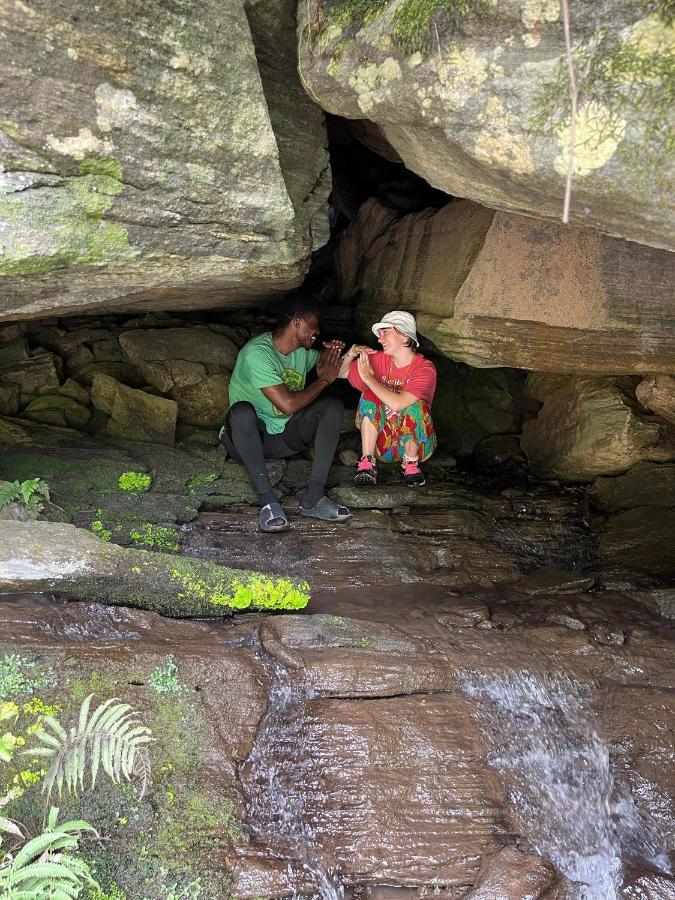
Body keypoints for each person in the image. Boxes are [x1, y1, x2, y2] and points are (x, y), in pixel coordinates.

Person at [220, 296, 351, 533]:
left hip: (284, 437)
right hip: (248, 440)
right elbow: (288, 405)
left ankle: (314, 498)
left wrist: (333, 351)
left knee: (331, 406)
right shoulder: (257, 353)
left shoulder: (302, 351)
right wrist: (323, 380)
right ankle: (268, 501)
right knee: (241, 412)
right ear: (298, 323)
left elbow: (330, 364)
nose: (318, 330)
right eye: (314, 324)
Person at [341, 310, 437, 487]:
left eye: (385, 332)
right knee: (369, 394)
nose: (379, 339)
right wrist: (351, 353)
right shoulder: (379, 359)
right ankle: (367, 463)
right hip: (383, 447)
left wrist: (369, 379)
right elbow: (340, 373)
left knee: (416, 405)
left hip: (418, 448)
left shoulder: (425, 368)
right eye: (379, 333)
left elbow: (398, 404)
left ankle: (411, 465)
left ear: (403, 335)